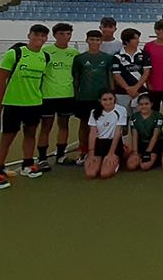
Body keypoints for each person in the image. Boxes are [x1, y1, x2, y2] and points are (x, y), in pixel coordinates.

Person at [0, 25, 50, 189]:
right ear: (29, 35)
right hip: (12, 104)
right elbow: (1, 80)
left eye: (43, 36)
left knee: (30, 135)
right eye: (36, 35)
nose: (40, 38)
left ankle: (28, 165)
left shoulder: (45, 57)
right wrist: (0, 102)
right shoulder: (14, 54)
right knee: (7, 138)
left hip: (34, 103)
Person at [37, 22, 79, 170]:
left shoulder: (74, 53)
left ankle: (60, 155)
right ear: (54, 35)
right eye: (61, 34)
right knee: (46, 127)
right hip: (48, 96)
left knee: (64, 125)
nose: (65, 37)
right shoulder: (45, 52)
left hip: (67, 95)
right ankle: (42, 158)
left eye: (68, 34)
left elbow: (76, 75)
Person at [72, 30, 114, 165]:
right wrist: (76, 95)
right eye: (92, 39)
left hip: (102, 99)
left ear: (101, 42)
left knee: (102, 125)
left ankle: (100, 151)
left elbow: (110, 78)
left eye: (97, 40)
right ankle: (83, 152)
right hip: (85, 97)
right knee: (84, 125)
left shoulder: (107, 58)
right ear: (87, 40)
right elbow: (76, 79)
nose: (95, 42)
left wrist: (111, 95)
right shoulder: (79, 59)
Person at [84, 90, 127, 180]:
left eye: (110, 99)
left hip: (114, 144)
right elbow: (92, 133)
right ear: (100, 100)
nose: (108, 102)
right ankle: (100, 160)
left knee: (105, 174)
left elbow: (118, 133)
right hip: (99, 144)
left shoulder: (121, 110)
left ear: (114, 99)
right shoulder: (94, 112)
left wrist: (111, 153)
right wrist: (91, 153)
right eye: (104, 99)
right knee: (90, 174)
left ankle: (117, 160)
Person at [112, 28, 151, 115]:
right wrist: (128, 89)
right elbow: (116, 75)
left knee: (140, 119)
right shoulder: (117, 56)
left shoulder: (144, 54)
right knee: (123, 120)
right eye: (134, 39)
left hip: (140, 92)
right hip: (122, 93)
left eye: (137, 38)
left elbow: (146, 72)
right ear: (126, 41)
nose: (138, 41)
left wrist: (136, 88)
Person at [143, 20, 163, 113]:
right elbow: (146, 66)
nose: (161, 31)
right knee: (153, 114)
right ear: (155, 30)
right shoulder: (148, 46)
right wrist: (148, 82)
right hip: (152, 86)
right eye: (158, 29)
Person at [126, 93, 163, 172]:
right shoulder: (134, 117)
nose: (144, 106)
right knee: (131, 166)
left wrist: (148, 152)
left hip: (155, 144)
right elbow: (135, 135)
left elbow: (155, 135)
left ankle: (156, 156)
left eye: (146, 104)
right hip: (141, 143)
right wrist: (135, 152)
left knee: (144, 166)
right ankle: (140, 156)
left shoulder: (158, 116)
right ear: (138, 106)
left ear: (151, 104)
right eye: (141, 104)